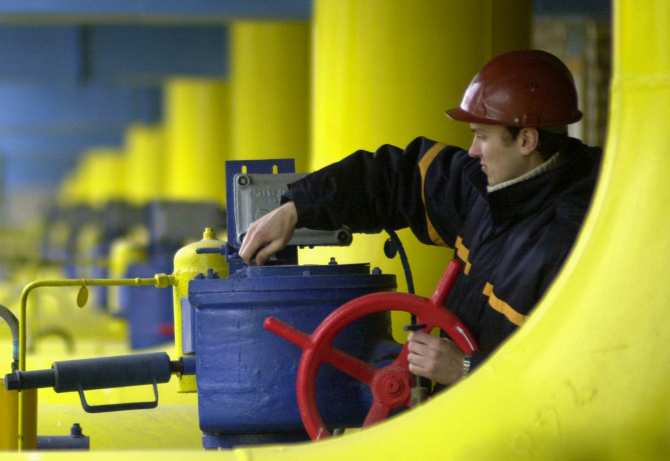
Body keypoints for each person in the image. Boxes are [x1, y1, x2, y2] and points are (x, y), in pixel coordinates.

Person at [239, 49, 601, 387]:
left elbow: (581, 377)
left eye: (482, 137)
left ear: (526, 141)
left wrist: (464, 370)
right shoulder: (488, 191)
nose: (472, 151)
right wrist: (297, 208)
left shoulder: (578, 240)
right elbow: (397, 178)